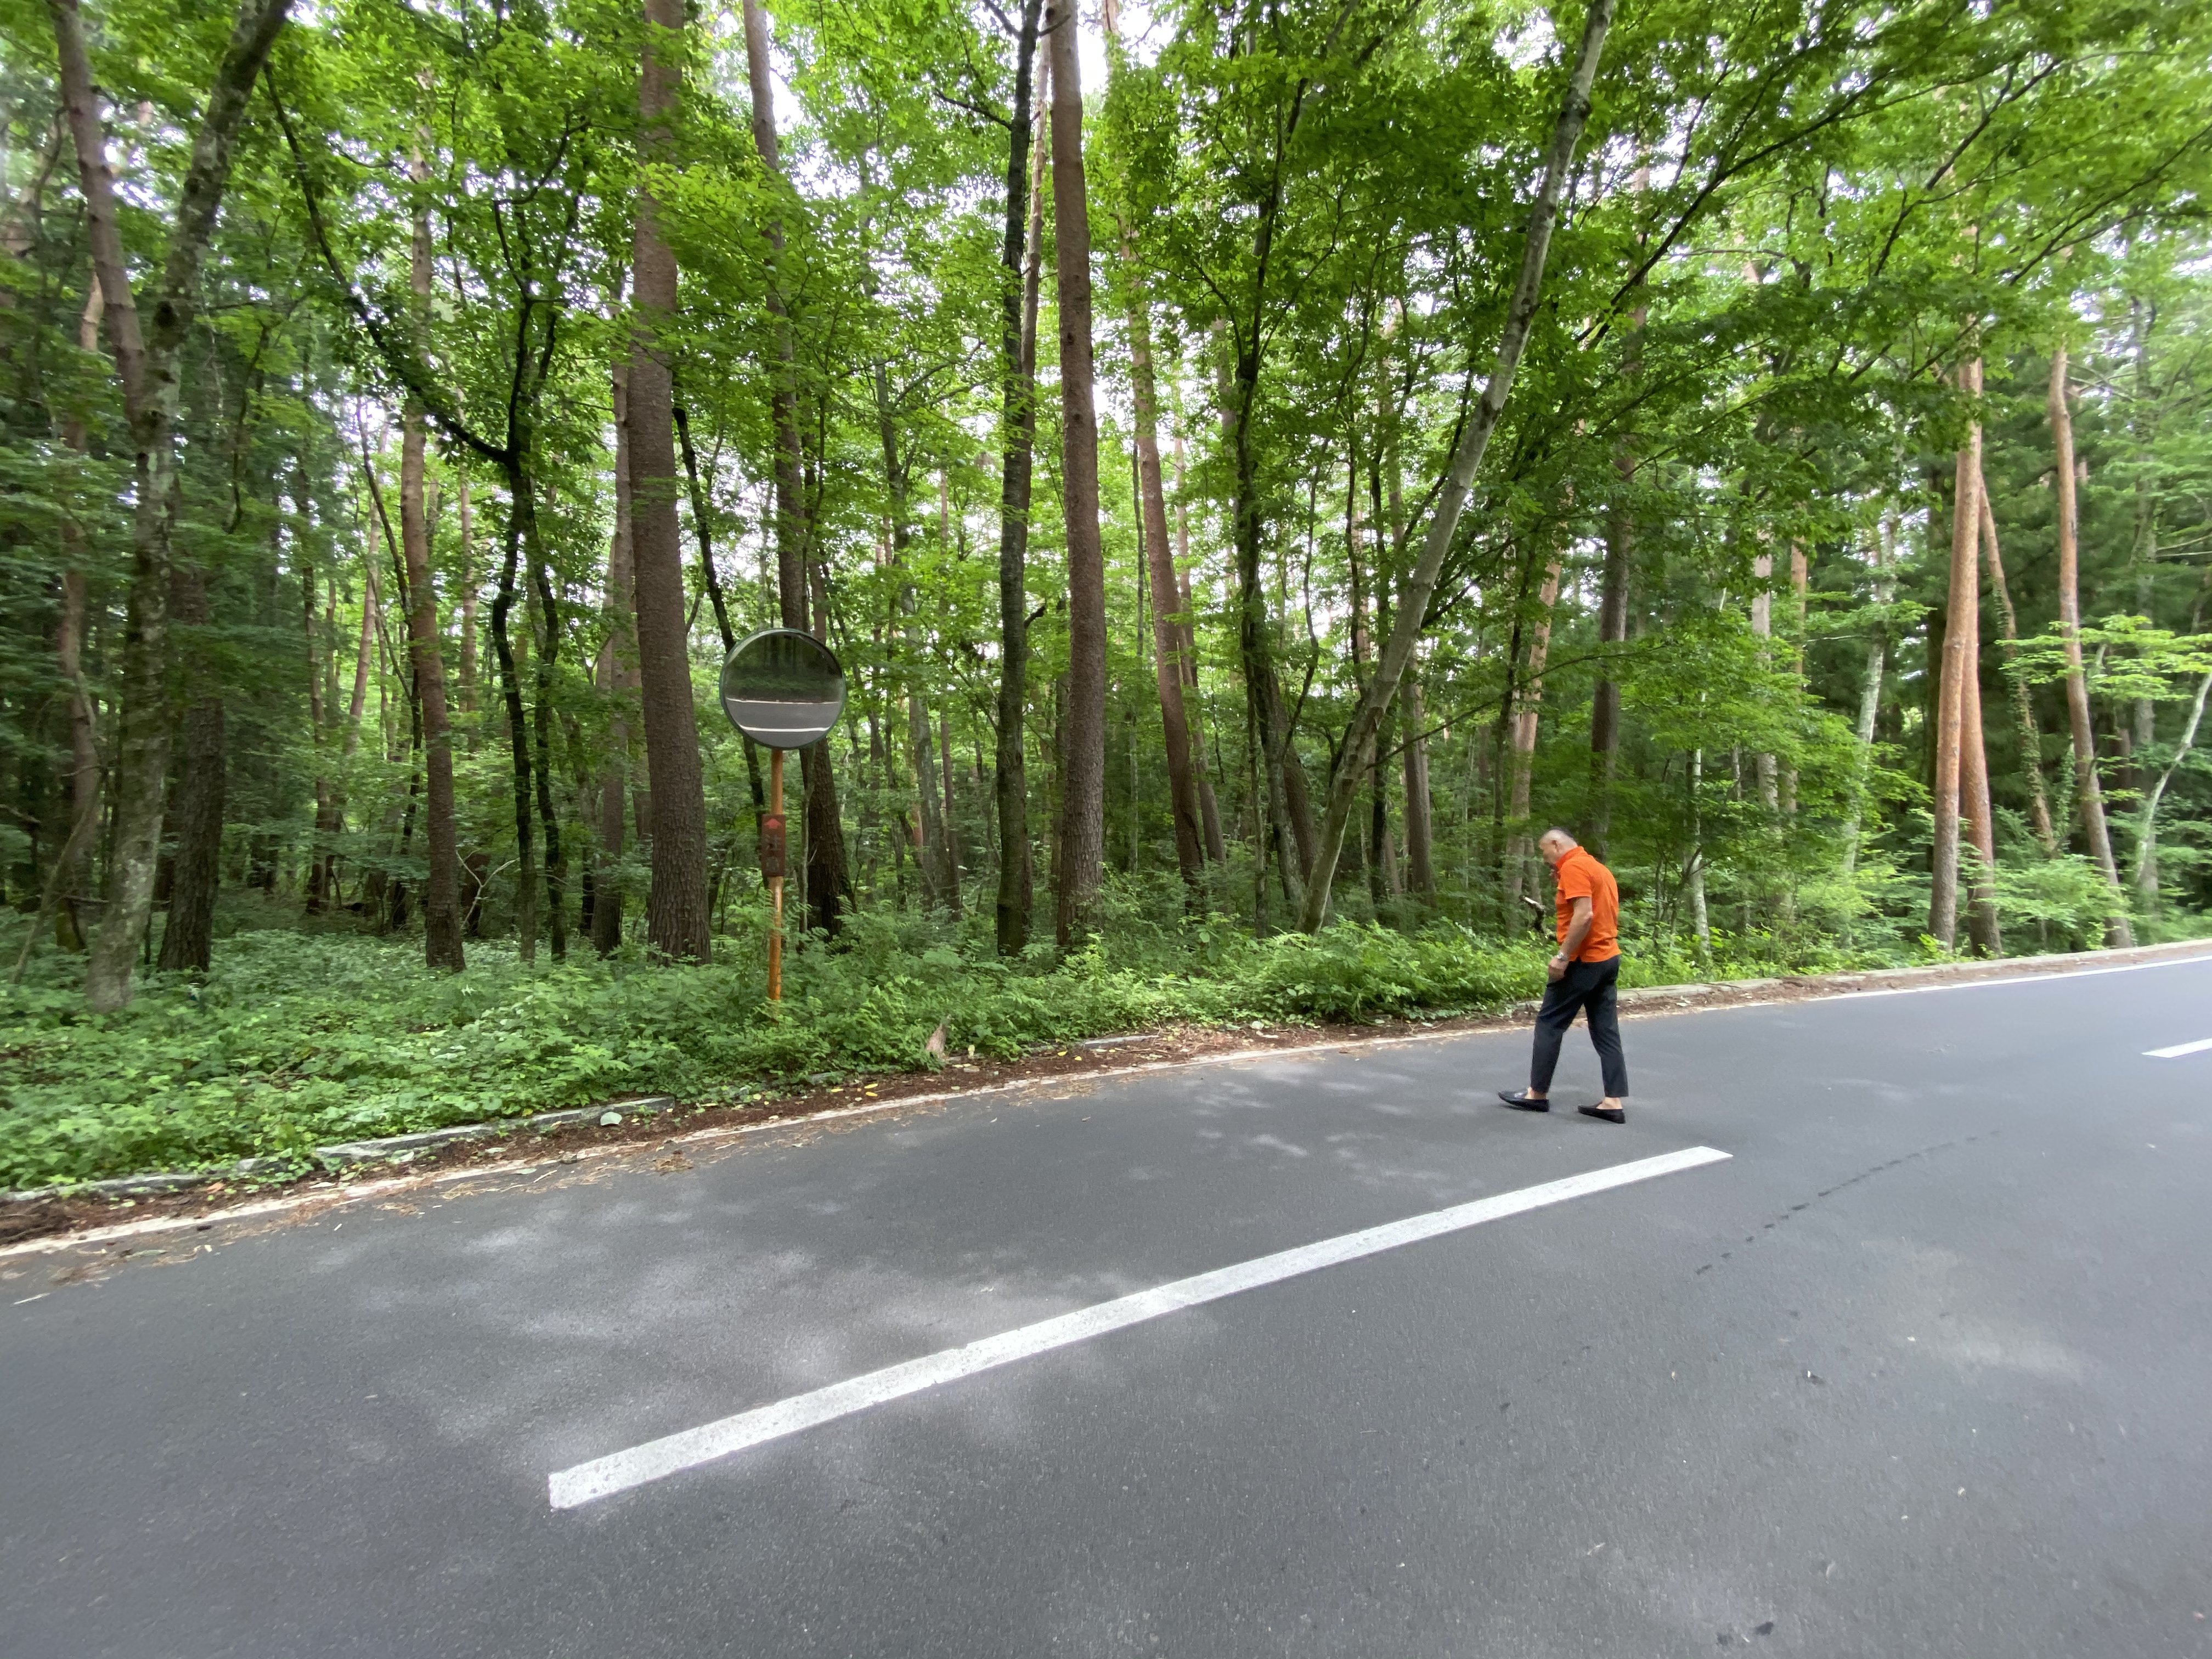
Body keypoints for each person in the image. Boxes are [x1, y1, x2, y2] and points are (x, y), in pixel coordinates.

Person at [1498, 827, 1629, 1124]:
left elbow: (1585, 916)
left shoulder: (1574, 867)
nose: (1546, 860)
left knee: (1549, 1022)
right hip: (1609, 957)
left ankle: (1537, 1095)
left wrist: (1563, 956)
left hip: (1584, 960)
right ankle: (1613, 1101)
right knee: (1606, 1030)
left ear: (1556, 844)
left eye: (1545, 853)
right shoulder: (1597, 867)